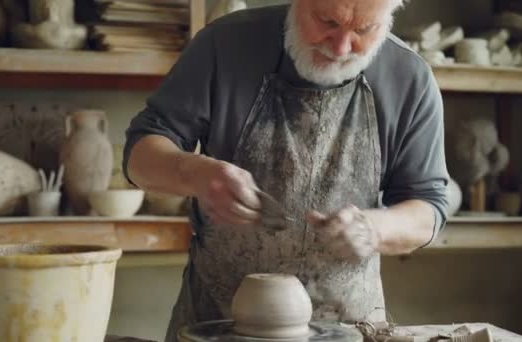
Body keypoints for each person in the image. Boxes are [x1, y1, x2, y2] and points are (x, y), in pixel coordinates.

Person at [123, 0, 449, 341]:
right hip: (219, 324)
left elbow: (428, 207)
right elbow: (139, 154)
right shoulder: (225, 45)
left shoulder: (408, 77)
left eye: (363, 30)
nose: (340, 47)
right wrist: (197, 174)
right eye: (327, 21)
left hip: (350, 327)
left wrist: (375, 228)